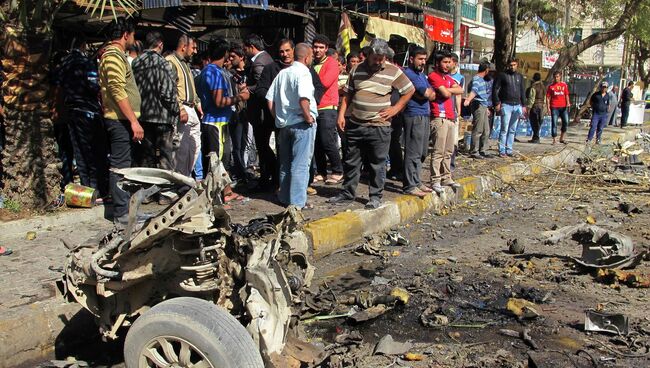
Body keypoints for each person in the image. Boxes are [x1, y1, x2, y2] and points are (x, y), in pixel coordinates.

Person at [328, 38, 414, 209]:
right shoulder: (356, 70)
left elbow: (409, 90)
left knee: (378, 163)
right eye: (376, 57)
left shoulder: (393, 71)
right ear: (368, 54)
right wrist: (341, 115)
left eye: (382, 58)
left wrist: (395, 109)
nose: (379, 61)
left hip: (379, 126)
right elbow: (347, 94)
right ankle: (347, 193)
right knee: (352, 161)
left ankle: (375, 196)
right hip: (356, 123)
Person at [98, 17, 143, 224]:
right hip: (119, 120)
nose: (134, 38)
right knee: (120, 166)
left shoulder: (117, 55)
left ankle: (127, 210)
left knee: (125, 165)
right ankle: (121, 213)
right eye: (133, 34)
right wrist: (133, 121)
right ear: (126, 35)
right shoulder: (113, 55)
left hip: (122, 119)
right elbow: (117, 90)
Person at [52, 36, 108, 199]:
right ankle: (99, 190)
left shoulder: (64, 63)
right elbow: (94, 86)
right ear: (83, 45)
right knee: (96, 151)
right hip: (88, 111)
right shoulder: (86, 62)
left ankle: (86, 190)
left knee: (80, 153)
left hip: (72, 112)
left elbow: (58, 86)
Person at [196, 38, 250, 202]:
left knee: (219, 160)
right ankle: (217, 196)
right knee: (217, 161)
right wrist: (240, 97)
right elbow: (219, 101)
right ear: (225, 54)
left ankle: (225, 192)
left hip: (214, 121)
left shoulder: (207, 71)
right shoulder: (214, 72)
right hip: (216, 122)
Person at [265, 43, 318, 209]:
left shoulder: (283, 73)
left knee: (285, 163)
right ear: (307, 57)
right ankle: (297, 203)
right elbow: (304, 98)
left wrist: (278, 117)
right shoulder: (303, 73)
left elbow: (269, 100)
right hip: (301, 123)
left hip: (284, 125)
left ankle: (284, 196)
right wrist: (308, 117)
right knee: (300, 165)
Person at [132, 31, 180, 184]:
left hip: (143, 116)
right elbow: (167, 93)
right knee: (165, 156)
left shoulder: (136, 62)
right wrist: (176, 110)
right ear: (160, 44)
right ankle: (164, 193)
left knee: (146, 156)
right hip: (162, 117)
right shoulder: (164, 64)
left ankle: (146, 191)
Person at [427, 51, 464, 194]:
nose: (448, 65)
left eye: (449, 62)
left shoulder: (447, 78)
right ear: (437, 63)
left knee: (449, 151)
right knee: (438, 151)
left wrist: (447, 88)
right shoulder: (433, 76)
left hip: (450, 117)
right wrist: (448, 89)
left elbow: (459, 89)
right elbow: (447, 94)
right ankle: (435, 179)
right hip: (439, 117)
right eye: (445, 62)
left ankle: (446, 177)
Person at [166, 35, 203, 177]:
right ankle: (180, 179)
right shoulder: (171, 61)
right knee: (182, 148)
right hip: (182, 108)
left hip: (191, 108)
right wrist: (180, 108)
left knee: (194, 147)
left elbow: (190, 88)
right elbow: (171, 87)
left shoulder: (185, 64)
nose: (195, 51)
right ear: (184, 47)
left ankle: (185, 177)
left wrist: (198, 103)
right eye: (193, 48)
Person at [401, 46, 435, 197]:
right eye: (420, 59)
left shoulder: (421, 75)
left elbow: (431, 94)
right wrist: (425, 94)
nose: (423, 62)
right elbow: (426, 93)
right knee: (413, 152)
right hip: (414, 115)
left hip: (424, 114)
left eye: (424, 59)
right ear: (411, 59)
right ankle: (409, 185)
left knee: (422, 152)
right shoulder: (409, 74)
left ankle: (417, 180)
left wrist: (426, 94)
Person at [243, 34, 275, 191]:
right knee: (263, 145)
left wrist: (246, 88)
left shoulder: (259, 63)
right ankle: (267, 176)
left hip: (261, 113)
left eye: (245, 48)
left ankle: (270, 175)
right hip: (265, 112)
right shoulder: (267, 58)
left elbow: (261, 86)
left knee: (262, 146)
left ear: (251, 47)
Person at [311, 34, 343, 185]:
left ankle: (338, 170)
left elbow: (323, 83)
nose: (317, 50)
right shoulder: (311, 63)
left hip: (327, 108)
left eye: (321, 47)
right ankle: (322, 172)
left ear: (326, 49)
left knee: (327, 140)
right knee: (317, 142)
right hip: (313, 108)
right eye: (315, 47)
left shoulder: (331, 64)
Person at [227, 44, 251, 183]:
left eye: (233, 57)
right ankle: (240, 171)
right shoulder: (230, 75)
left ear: (241, 57)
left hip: (246, 113)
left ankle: (244, 168)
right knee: (236, 145)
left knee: (245, 143)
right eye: (229, 57)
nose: (230, 59)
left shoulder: (249, 72)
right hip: (235, 113)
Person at [493, 58, 526, 157]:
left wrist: (524, 105)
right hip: (506, 105)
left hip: (517, 105)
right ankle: (502, 150)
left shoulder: (519, 77)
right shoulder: (503, 75)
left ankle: (509, 150)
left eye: (514, 65)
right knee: (504, 129)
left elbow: (522, 91)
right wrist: (497, 103)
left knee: (512, 129)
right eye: (511, 65)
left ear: (517, 65)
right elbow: (495, 89)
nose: (512, 67)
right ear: (508, 65)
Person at [464, 62, 493, 159]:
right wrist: (468, 99)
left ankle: (483, 150)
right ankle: (474, 151)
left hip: (484, 106)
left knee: (486, 129)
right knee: (478, 129)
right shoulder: (477, 79)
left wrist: (487, 108)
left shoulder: (482, 80)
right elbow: (474, 91)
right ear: (486, 70)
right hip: (478, 105)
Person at [545, 71, 570, 144]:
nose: (556, 78)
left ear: (560, 77)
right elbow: (548, 98)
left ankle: (562, 138)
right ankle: (554, 140)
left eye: (557, 77)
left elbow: (566, 95)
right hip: (554, 107)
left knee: (566, 122)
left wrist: (568, 102)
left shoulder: (564, 85)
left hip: (563, 107)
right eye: (555, 77)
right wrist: (548, 108)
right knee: (554, 123)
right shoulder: (551, 87)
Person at [526, 72, 545, 143]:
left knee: (534, 123)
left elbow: (532, 98)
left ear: (533, 79)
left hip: (535, 106)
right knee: (539, 122)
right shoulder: (543, 86)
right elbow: (545, 98)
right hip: (542, 106)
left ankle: (536, 138)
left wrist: (529, 107)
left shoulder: (533, 87)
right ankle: (535, 137)